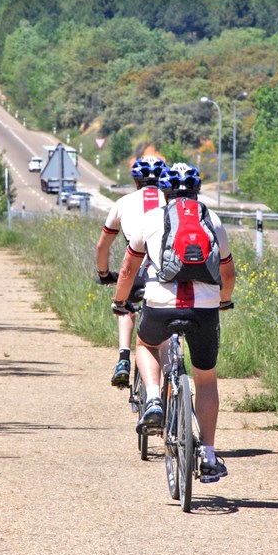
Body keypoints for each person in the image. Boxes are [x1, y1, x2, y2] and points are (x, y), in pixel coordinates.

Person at [111, 164, 236, 483]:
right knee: (205, 379)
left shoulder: (151, 219)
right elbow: (228, 274)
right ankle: (208, 456)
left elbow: (127, 270)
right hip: (204, 308)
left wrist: (119, 301)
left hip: (161, 304)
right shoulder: (212, 218)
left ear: (165, 192)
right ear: (197, 191)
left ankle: (153, 398)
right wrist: (222, 301)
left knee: (146, 345)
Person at [94, 155, 166, 387]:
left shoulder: (123, 203)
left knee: (124, 305)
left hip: (136, 272)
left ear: (136, 181)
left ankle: (123, 358)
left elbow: (102, 246)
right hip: (168, 272)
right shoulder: (171, 200)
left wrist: (105, 274)